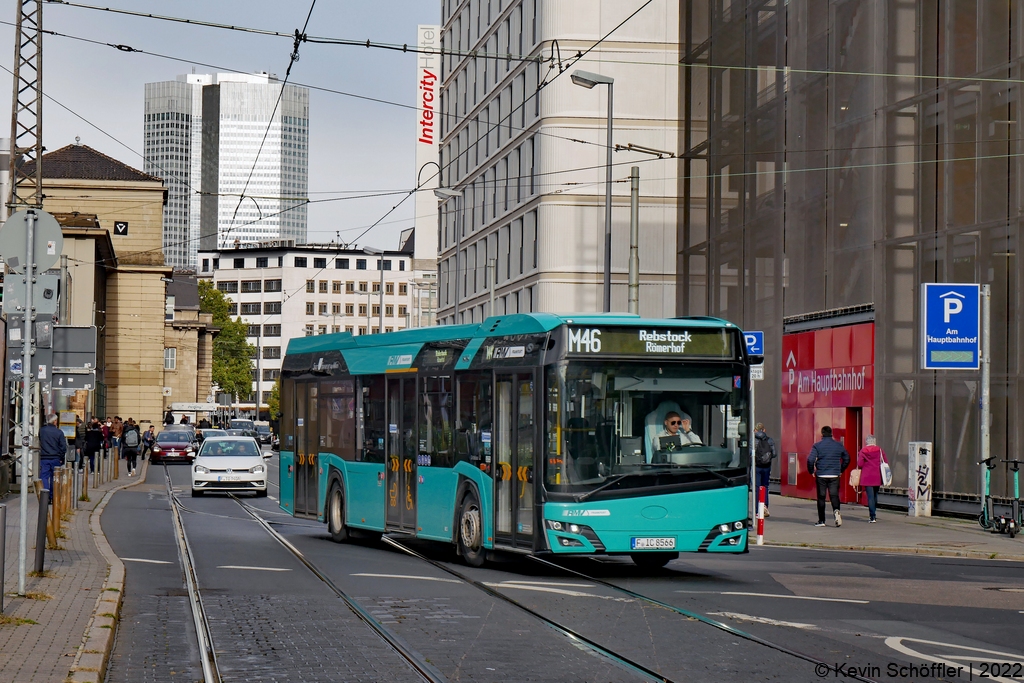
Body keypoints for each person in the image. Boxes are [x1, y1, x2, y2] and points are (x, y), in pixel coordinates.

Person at [807, 425, 850, 527]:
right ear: (831, 433)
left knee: (821, 497)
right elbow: (847, 458)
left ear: (822, 434)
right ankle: (836, 511)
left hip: (821, 474)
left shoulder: (817, 446)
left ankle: (822, 521)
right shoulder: (838, 445)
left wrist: (811, 471)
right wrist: (841, 470)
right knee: (834, 495)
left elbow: (810, 459)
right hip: (834, 474)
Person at [856, 435, 889, 523]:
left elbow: (860, 464)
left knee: (870, 497)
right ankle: (874, 512)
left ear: (866, 442)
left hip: (867, 476)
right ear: (874, 441)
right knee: (875, 495)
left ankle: (872, 516)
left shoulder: (863, 451)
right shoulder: (880, 450)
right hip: (877, 475)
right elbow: (885, 461)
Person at [39, 414, 67, 497]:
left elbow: (41, 441)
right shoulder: (59, 432)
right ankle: (52, 496)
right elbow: (63, 447)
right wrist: (61, 457)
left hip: (44, 457)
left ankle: (45, 495)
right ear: (55, 421)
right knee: (54, 477)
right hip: (55, 457)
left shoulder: (42, 430)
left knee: (44, 476)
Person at [753, 422, 777, 517]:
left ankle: (757, 511)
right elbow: (774, 454)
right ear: (764, 430)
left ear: (755, 430)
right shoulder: (770, 440)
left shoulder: (753, 440)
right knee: (765, 486)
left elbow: (750, 453)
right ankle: (765, 507)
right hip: (767, 466)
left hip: (757, 466)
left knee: (757, 487)